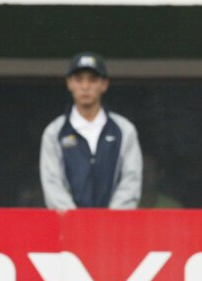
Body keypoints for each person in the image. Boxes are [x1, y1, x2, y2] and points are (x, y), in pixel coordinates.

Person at [40, 53, 143, 211]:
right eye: (79, 79)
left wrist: (111, 218)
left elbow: (132, 178)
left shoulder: (124, 130)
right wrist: (74, 219)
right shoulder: (54, 132)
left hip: (115, 223)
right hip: (69, 224)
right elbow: (51, 182)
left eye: (92, 80)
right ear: (69, 83)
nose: (85, 86)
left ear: (104, 84)